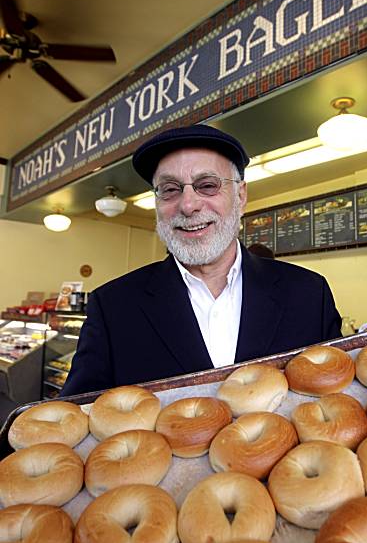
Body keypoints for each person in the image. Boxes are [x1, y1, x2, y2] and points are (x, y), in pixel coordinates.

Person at [61, 125, 342, 396]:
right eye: (169, 189)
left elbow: (341, 395)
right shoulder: (112, 307)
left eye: (207, 185)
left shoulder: (308, 293)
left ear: (241, 196)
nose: (188, 205)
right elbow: (77, 414)